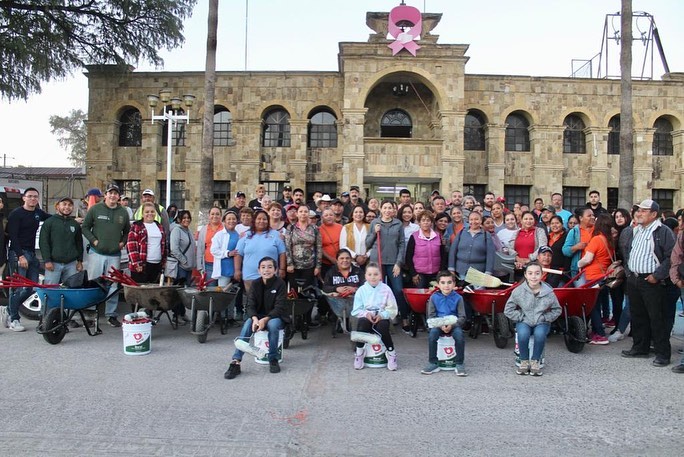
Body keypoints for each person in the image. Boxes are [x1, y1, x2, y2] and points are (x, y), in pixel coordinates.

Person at [620, 199, 676, 367]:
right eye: (639, 210)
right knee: (638, 315)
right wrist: (629, 272)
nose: (639, 213)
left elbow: (670, 256)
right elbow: (630, 252)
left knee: (657, 317)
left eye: (644, 211)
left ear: (653, 214)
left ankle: (662, 354)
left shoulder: (662, 231)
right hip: (635, 279)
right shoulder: (637, 230)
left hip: (651, 280)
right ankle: (640, 347)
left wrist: (657, 275)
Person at [224, 257, 290, 379]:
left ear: (275, 270)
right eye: (263, 267)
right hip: (258, 317)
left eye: (270, 267)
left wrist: (265, 319)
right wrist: (254, 318)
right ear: (259, 270)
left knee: (273, 325)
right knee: (248, 324)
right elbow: (250, 304)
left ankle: (273, 358)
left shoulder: (280, 283)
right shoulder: (255, 283)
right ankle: (236, 361)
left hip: (276, 316)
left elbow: (280, 307)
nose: (266, 270)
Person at [81, 184, 130, 327]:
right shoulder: (96, 209)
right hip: (97, 253)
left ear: (118, 196)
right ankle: (90, 314)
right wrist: (94, 241)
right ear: (106, 195)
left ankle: (111, 315)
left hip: (114, 254)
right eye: (110, 193)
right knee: (93, 284)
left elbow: (127, 231)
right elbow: (85, 227)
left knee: (113, 285)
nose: (113, 196)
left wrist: (122, 242)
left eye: (116, 193)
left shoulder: (123, 212)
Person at [3, 187, 51, 332]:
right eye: (30, 196)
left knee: (31, 287)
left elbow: (52, 218)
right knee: (17, 288)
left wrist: (74, 219)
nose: (33, 199)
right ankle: (14, 319)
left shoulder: (37, 213)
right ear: (24, 198)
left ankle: (9, 309)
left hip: (31, 253)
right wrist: (20, 256)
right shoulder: (16, 214)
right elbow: (13, 236)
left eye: (35, 197)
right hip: (18, 254)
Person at [504, 262, 561, 376]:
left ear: (542, 275)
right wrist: (521, 316)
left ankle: (535, 361)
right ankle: (524, 360)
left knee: (540, 335)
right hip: (524, 320)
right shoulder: (518, 291)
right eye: (530, 273)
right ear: (525, 275)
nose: (533, 276)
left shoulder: (548, 292)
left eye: (537, 273)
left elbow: (557, 309)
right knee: (523, 334)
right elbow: (508, 310)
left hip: (541, 321)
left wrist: (545, 317)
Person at [366, 200, 410, 333]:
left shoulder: (398, 224)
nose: (387, 210)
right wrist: (374, 232)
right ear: (380, 209)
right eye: (384, 208)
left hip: (393, 262)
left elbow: (402, 244)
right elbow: (367, 243)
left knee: (397, 290)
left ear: (394, 210)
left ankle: (404, 318)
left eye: (390, 208)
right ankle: (376, 318)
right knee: (377, 291)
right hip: (377, 262)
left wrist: (398, 263)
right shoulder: (375, 222)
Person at [351, 262, 399, 371]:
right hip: (366, 316)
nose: (373, 277)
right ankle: (359, 353)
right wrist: (366, 314)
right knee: (362, 325)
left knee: (382, 327)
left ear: (380, 275)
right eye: (370, 274)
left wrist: (382, 315)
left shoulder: (386, 289)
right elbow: (356, 310)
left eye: (376, 274)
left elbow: (392, 308)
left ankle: (391, 353)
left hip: (381, 315)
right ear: (365, 276)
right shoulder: (361, 290)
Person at [577, 213, 615, 345]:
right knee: (598, 304)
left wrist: (578, 264)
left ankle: (599, 334)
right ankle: (597, 331)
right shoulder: (609, 240)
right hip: (603, 275)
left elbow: (587, 259)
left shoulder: (597, 239)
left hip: (593, 276)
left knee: (593, 307)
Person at [421, 271, 467, 376]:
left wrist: (452, 325)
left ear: (454, 284)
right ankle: (433, 362)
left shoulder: (458, 298)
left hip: (454, 325)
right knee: (432, 335)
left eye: (449, 282)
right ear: (438, 285)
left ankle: (459, 363)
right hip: (438, 324)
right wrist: (440, 325)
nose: (446, 285)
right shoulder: (434, 297)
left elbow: (462, 317)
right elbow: (431, 316)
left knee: (459, 336)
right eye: (443, 282)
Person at [235, 210, 287, 292]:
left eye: (264, 219)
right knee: (252, 302)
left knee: (269, 301)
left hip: (270, 276)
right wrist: (237, 270)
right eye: (259, 219)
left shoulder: (276, 235)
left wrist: (282, 269)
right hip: (250, 276)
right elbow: (238, 254)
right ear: (254, 221)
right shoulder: (246, 235)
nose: (261, 221)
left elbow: (282, 253)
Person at [39, 196, 83, 286]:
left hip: (71, 264)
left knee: (71, 290)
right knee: (50, 290)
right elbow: (44, 242)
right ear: (57, 206)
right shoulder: (49, 222)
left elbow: (79, 243)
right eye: (64, 204)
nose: (67, 207)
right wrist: (47, 260)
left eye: (70, 205)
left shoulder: (75, 224)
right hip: (53, 263)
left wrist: (79, 261)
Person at [127, 202, 167, 284]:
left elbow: (164, 245)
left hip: (157, 265)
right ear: (142, 214)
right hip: (142, 265)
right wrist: (137, 263)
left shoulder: (159, 226)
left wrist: (164, 261)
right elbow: (131, 246)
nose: (150, 214)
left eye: (152, 211)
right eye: (147, 212)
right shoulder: (136, 226)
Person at [448, 211, 495, 280]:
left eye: (476, 219)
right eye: (471, 219)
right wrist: (451, 268)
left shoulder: (486, 235)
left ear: (481, 221)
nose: (474, 222)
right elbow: (453, 251)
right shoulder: (462, 233)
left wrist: (488, 273)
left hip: (478, 273)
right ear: (468, 221)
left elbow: (490, 255)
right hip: (461, 271)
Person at [405, 212, 447, 288]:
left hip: (436, 273)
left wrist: (441, 270)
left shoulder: (438, 236)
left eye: (428, 220)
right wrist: (413, 274)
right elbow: (408, 256)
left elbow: (443, 255)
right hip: (419, 274)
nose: (425, 222)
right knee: (421, 295)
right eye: (423, 220)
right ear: (419, 223)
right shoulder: (414, 236)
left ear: (431, 222)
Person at [562, 207, 595, 279]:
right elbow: (565, 250)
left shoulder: (598, 230)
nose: (593, 217)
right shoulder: (574, 231)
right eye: (589, 216)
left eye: (593, 215)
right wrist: (576, 247)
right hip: (579, 272)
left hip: (596, 270)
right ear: (581, 218)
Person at [210, 210, 240, 288]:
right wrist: (227, 253)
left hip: (236, 269)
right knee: (223, 294)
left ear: (237, 221)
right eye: (229, 219)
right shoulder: (219, 235)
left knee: (236, 294)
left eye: (233, 219)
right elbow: (213, 250)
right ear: (224, 221)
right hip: (224, 270)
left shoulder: (239, 234)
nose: (231, 221)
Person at [168, 209, 196, 287]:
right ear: (179, 219)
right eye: (184, 218)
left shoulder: (189, 230)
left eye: (188, 217)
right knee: (179, 289)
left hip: (189, 268)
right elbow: (174, 249)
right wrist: (184, 261)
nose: (186, 219)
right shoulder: (176, 230)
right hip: (181, 267)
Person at [196, 206, 223, 279]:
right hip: (209, 264)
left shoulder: (225, 228)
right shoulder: (204, 229)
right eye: (212, 214)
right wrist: (199, 266)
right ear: (209, 216)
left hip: (222, 263)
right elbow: (200, 248)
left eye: (217, 214)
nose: (215, 216)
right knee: (211, 288)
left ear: (221, 216)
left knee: (222, 288)